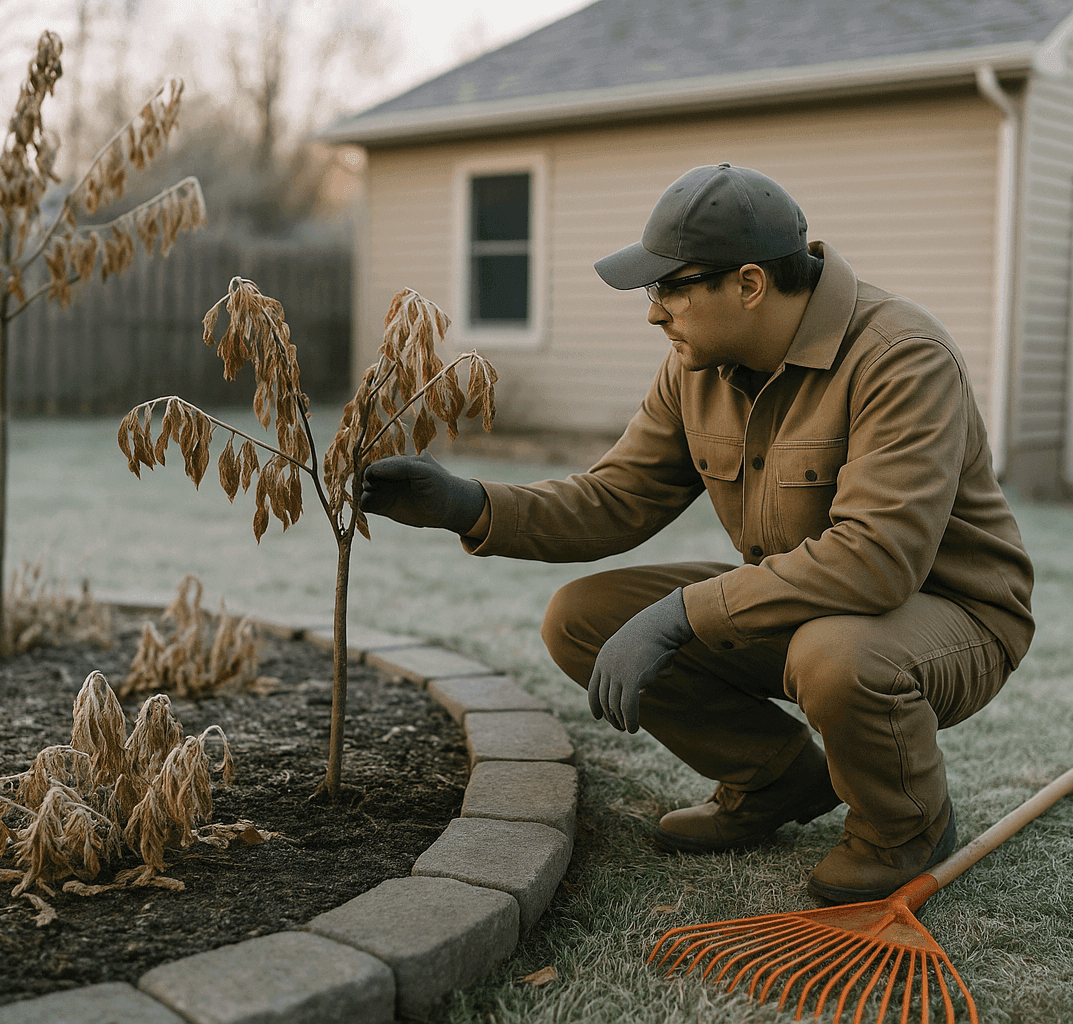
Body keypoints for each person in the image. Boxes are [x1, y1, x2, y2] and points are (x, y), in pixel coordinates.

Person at [360, 163, 1035, 904]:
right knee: (582, 619)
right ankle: (776, 781)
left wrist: (683, 614)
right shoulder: (696, 366)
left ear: (748, 284)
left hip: (953, 616)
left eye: (670, 287)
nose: (656, 313)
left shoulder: (901, 357)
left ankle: (904, 828)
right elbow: (617, 498)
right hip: (814, 604)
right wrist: (465, 503)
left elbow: (878, 560)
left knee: (836, 656)